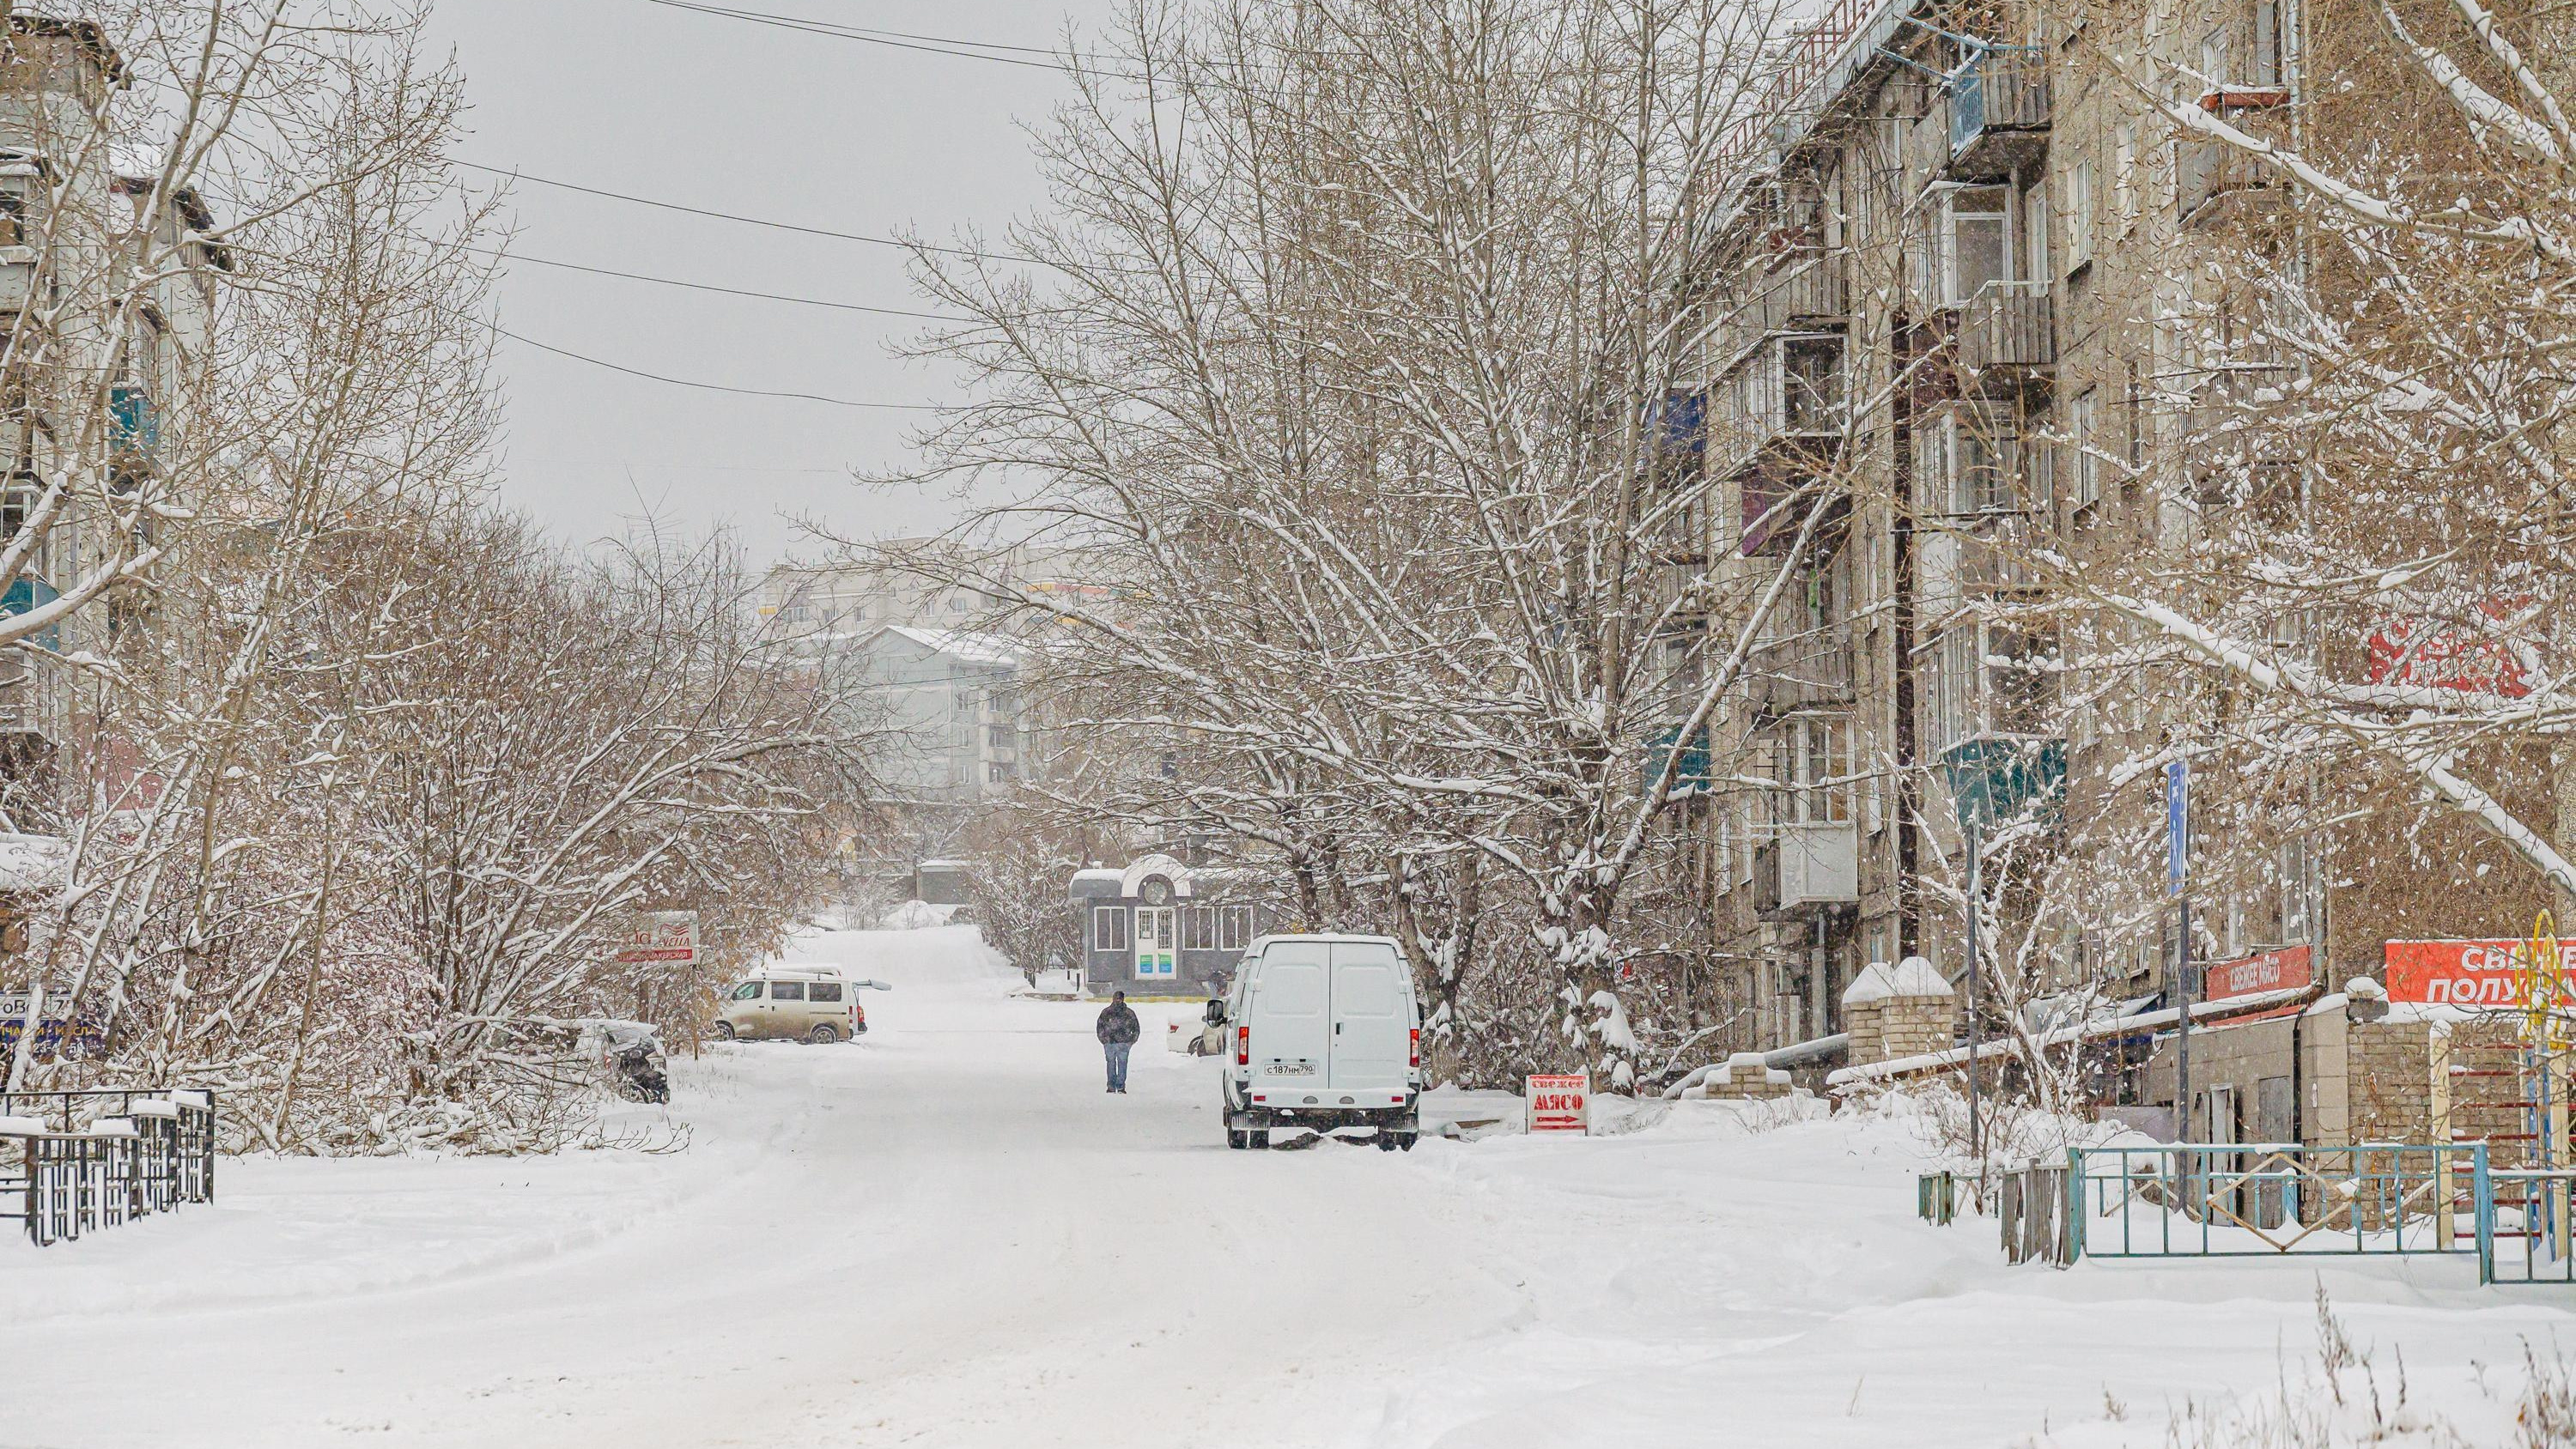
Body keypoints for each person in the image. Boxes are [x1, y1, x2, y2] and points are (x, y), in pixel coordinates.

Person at [1096, 991, 1140, 1094]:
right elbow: (1100, 1027)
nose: (1118, 1001)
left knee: (1117, 1064)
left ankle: (1115, 1086)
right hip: (1115, 1043)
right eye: (1117, 998)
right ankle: (1117, 1086)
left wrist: (1131, 1041)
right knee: (1117, 1064)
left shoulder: (1107, 1012)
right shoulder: (1128, 1013)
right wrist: (1131, 1040)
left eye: (1118, 999)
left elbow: (1100, 1027)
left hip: (1118, 1043)